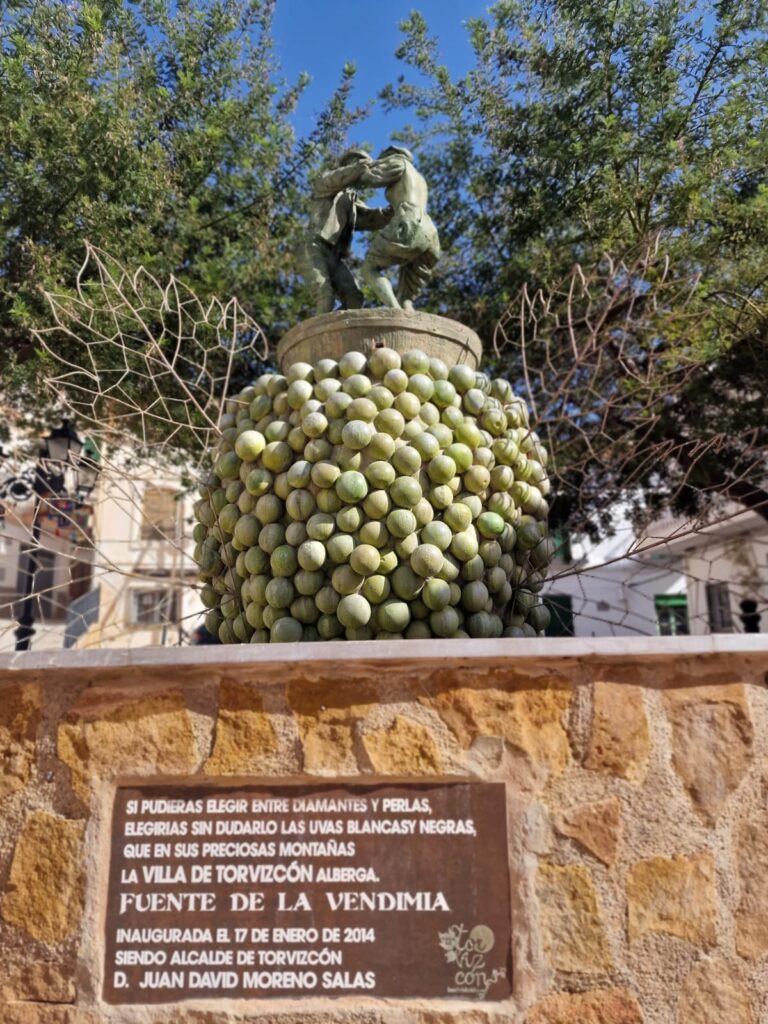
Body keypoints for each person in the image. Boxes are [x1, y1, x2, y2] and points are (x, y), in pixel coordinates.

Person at [301, 149, 393, 315]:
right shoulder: (326, 184)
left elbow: (369, 218)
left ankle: (337, 331)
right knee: (325, 296)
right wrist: (360, 167)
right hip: (313, 247)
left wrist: (390, 212)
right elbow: (336, 178)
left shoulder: (351, 201)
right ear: (349, 165)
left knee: (354, 299)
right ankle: (320, 336)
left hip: (333, 256)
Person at [358, 146, 440, 310]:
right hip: (429, 232)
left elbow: (368, 177)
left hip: (410, 222)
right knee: (407, 295)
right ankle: (405, 307)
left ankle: (394, 310)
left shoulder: (399, 163)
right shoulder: (419, 179)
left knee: (369, 268)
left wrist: (357, 169)